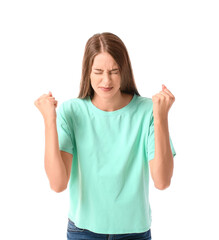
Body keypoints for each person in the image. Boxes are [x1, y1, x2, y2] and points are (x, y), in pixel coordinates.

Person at [34, 32, 176, 240]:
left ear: (124, 71)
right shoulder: (71, 112)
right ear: (87, 72)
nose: (106, 80)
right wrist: (49, 120)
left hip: (134, 232)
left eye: (114, 71)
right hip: (83, 232)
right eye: (98, 71)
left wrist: (161, 117)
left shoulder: (148, 111)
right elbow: (58, 184)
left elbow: (162, 181)